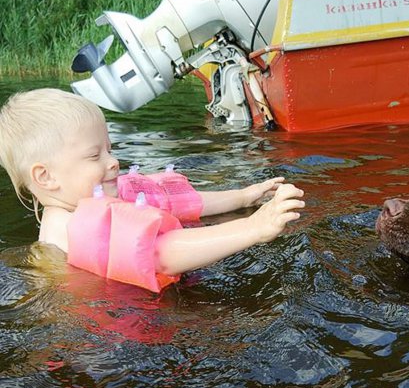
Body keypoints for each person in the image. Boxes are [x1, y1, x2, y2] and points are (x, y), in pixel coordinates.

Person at [0, 88, 305, 289]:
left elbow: (182, 202)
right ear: (46, 177)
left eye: (109, 149)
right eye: (95, 156)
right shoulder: (68, 228)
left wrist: (244, 196)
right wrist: (253, 227)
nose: (113, 162)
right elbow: (158, 253)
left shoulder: (91, 198)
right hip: (113, 335)